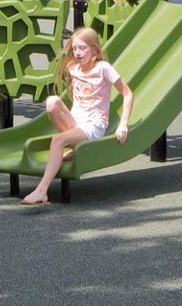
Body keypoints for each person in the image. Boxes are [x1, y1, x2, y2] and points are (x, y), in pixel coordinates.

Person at [22, 27, 133, 206]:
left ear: (94, 49)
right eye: (75, 48)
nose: (78, 53)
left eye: (83, 48)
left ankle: (41, 191)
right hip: (77, 123)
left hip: (93, 126)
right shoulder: (74, 69)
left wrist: (123, 124)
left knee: (57, 141)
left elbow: (128, 94)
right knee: (52, 102)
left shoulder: (103, 68)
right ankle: (74, 143)